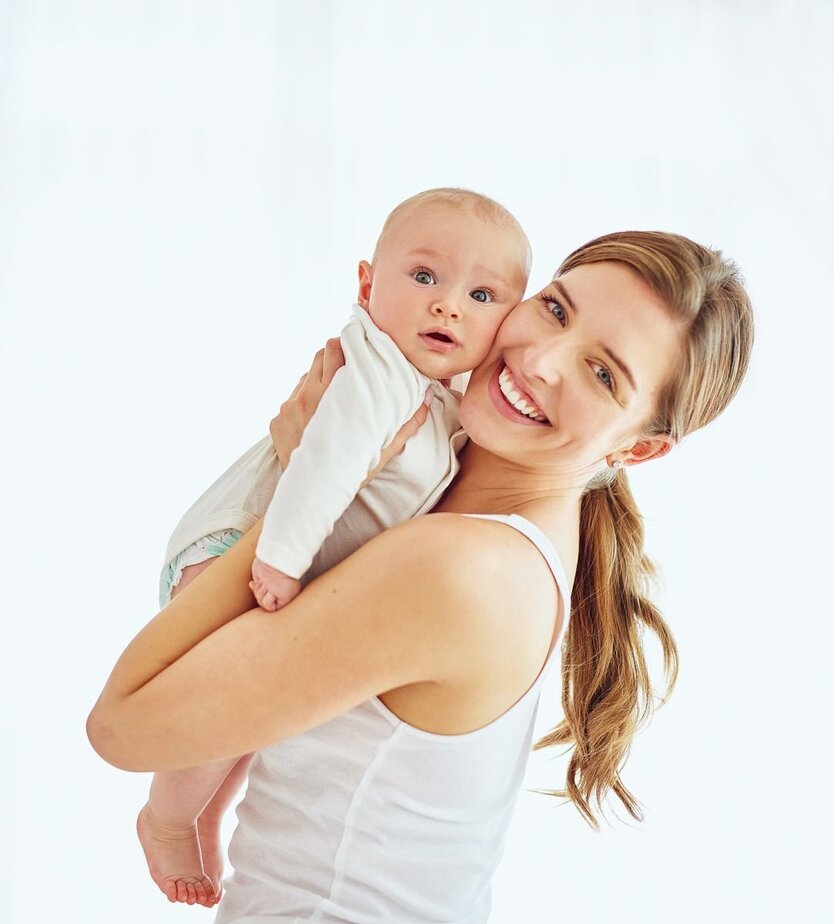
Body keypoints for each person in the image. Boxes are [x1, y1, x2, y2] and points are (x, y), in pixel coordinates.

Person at [87, 228, 754, 924]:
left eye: (603, 374)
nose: (543, 360)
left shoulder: (466, 570)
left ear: (638, 448)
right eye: (556, 309)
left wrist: (310, 489)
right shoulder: (447, 472)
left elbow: (122, 725)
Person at [139, 187, 532, 906]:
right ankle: (167, 816)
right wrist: (280, 561)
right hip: (240, 544)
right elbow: (322, 466)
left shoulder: (439, 395)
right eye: (424, 278)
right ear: (365, 284)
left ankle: (209, 812)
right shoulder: (379, 374)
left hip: (272, 554)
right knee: (222, 710)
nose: (448, 305)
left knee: (245, 720)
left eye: (481, 294)